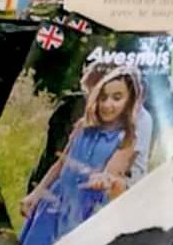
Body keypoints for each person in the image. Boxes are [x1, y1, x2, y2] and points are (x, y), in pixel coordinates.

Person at [19, 66, 145, 245]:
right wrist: (35, 194)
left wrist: (103, 179)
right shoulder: (83, 126)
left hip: (84, 213)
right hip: (54, 202)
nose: (107, 104)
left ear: (129, 101)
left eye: (117, 98)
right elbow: (60, 165)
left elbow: (112, 173)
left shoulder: (126, 139)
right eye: (103, 97)